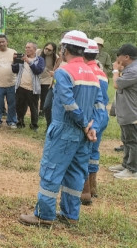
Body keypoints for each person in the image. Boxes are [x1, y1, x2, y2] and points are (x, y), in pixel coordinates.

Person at [19, 30, 103, 227]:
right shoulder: (93, 72)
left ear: (64, 49)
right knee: (75, 173)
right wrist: (93, 127)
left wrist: (83, 124)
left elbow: (68, 103)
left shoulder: (64, 72)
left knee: (51, 171)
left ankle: (44, 215)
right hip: (83, 135)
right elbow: (100, 106)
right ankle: (70, 216)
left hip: (65, 130)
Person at [81, 39, 109, 203]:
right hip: (102, 116)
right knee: (94, 152)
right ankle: (93, 186)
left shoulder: (85, 72)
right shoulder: (101, 72)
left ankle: (85, 192)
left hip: (91, 117)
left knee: (83, 152)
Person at [109, 43, 137, 180]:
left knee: (132, 141)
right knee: (126, 139)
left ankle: (133, 170)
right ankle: (126, 165)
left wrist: (115, 71)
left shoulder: (134, 70)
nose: (117, 59)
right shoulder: (129, 69)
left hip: (132, 112)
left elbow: (116, 84)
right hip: (127, 111)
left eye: (119, 56)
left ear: (126, 57)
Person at [12, 42, 45, 130]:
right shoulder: (21, 58)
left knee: (33, 107)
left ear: (34, 49)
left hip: (33, 88)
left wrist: (28, 61)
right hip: (21, 86)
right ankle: (20, 121)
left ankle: (34, 125)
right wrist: (14, 60)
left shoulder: (40, 60)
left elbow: (38, 71)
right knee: (19, 106)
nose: (27, 49)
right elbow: (14, 70)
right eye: (26, 47)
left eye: (29, 48)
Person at [0, 34, 18, 128]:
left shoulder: (13, 52)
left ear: (7, 42)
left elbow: (17, 66)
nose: (1, 44)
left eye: (3, 41)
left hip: (11, 83)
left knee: (12, 104)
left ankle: (12, 121)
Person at [38, 42, 58, 114]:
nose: (47, 50)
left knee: (44, 96)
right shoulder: (38, 52)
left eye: (49, 50)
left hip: (47, 79)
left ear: (53, 51)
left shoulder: (56, 57)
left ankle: (42, 111)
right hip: (37, 77)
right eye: (46, 48)